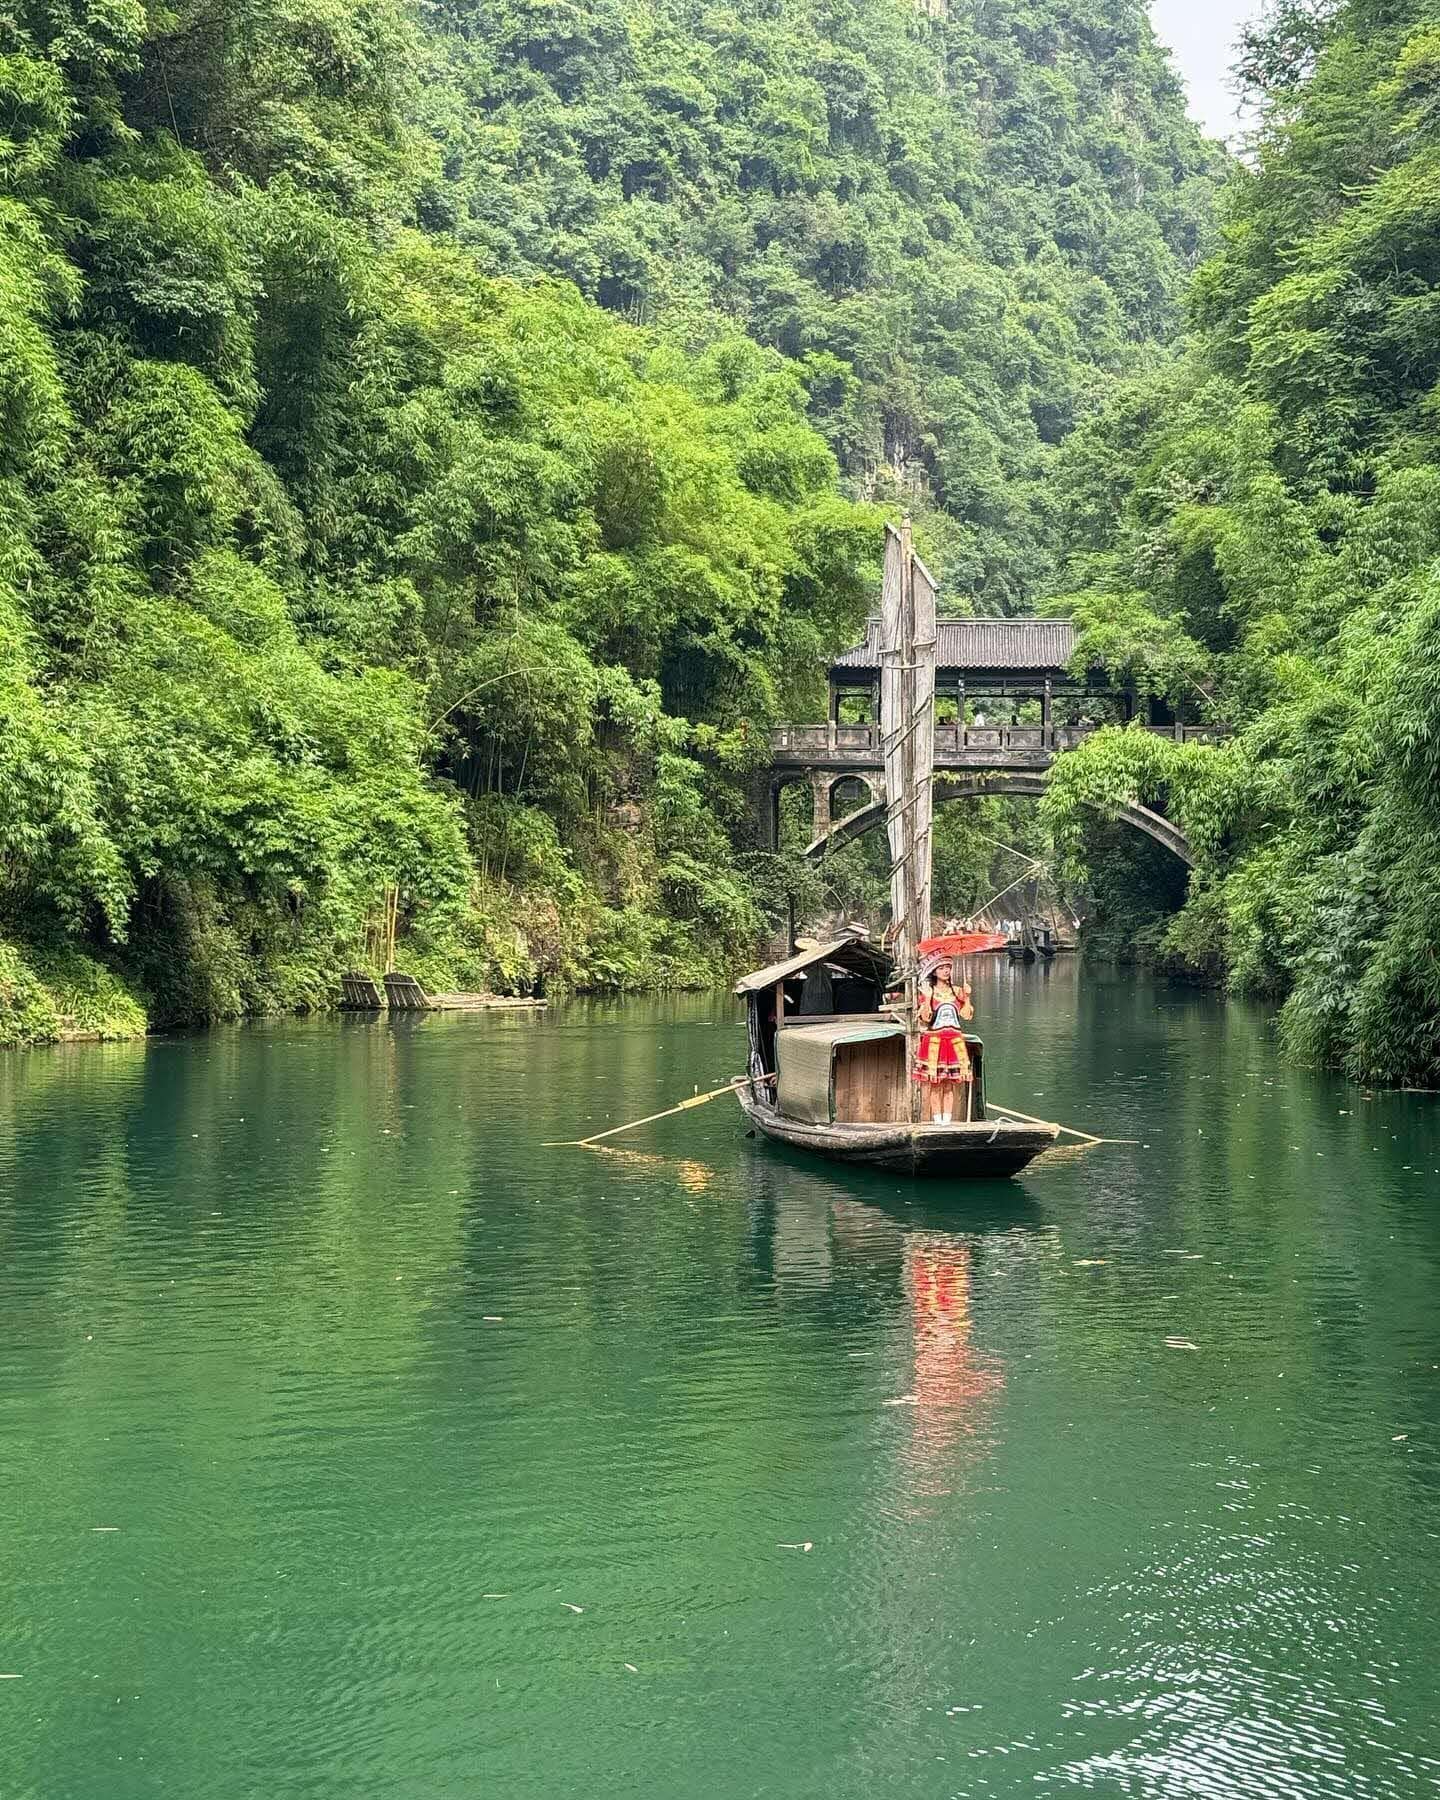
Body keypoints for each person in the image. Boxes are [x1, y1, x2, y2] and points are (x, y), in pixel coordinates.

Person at [915, 957, 974, 1124]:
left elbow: (966, 1016)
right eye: (941, 968)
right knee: (935, 1083)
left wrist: (967, 996)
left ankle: (947, 1120)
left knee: (950, 1084)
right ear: (934, 971)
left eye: (948, 967)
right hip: (935, 1040)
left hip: (954, 1040)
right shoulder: (929, 992)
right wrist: (927, 999)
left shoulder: (957, 991)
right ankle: (936, 1120)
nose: (946, 971)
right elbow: (925, 1018)